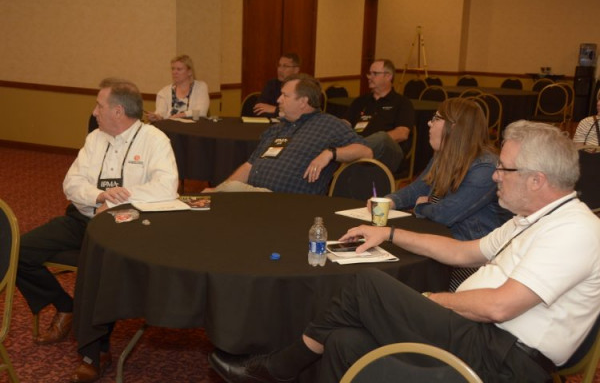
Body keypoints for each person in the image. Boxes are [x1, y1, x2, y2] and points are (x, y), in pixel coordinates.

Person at [208, 120, 600, 383]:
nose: (496, 175)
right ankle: (283, 369)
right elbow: (462, 253)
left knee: (367, 284)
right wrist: (390, 233)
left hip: (507, 360)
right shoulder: (531, 219)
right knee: (343, 342)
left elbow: (499, 307)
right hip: (481, 337)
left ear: (537, 180)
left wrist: (431, 301)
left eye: (505, 169)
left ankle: (278, 368)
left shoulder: (575, 230)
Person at [16, 78, 179, 382]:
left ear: (118, 111)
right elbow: (71, 183)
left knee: (98, 271)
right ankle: (65, 307)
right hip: (83, 218)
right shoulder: (95, 139)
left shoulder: (155, 140)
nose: (94, 112)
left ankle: (96, 352)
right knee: (18, 251)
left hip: (126, 225)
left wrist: (119, 200)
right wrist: (100, 195)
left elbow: (167, 187)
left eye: (99, 105)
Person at [382, 98, 511, 289]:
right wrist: (388, 201)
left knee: (400, 279)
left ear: (455, 126)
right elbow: (418, 188)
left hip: (469, 264)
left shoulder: (485, 167)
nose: (429, 123)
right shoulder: (444, 155)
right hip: (440, 244)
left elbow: (445, 213)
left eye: (436, 118)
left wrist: (421, 207)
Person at [208, 73, 372, 195]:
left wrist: (330, 153)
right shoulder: (277, 128)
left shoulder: (328, 124)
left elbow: (366, 151)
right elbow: (249, 166)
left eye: (285, 95)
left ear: (303, 101)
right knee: (217, 194)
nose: (278, 100)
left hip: (287, 201)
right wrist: (219, 190)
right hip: (254, 194)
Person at [343, 59, 414, 173]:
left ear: (388, 76)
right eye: (369, 73)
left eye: (374, 74)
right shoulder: (360, 101)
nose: (369, 77)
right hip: (356, 148)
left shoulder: (402, 102)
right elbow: (345, 123)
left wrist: (365, 143)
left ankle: (350, 153)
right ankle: (350, 154)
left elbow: (402, 133)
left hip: (388, 153)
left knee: (381, 137)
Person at [146, 54, 210, 121]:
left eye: (179, 69)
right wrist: (156, 117)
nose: (174, 72)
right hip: (170, 126)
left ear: (189, 72)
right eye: (173, 69)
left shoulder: (201, 87)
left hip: (193, 127)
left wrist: (180, 115)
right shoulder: (164, 92)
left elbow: (201, 111)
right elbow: (160, 113)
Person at [252, 53, 301, 117]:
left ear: (296, 70)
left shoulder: (302, 86)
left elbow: (298, 113)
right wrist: (280, 112)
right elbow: (258, 109)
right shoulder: (272, 84)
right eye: (279, 65)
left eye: (285, 66)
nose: (280, 69)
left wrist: (275, 110)